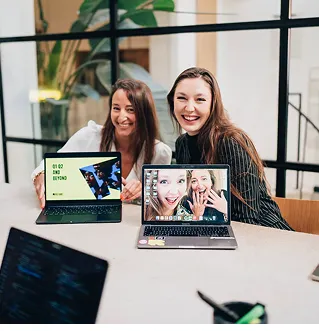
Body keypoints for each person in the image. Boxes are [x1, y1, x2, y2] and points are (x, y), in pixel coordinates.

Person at [167, 67, 293, 230]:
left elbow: (248, 221)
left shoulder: (230, 142)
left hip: (264, 233)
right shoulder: (182, 144)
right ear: (172, 101)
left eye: (200, 99)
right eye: (182, 98)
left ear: (213, 104)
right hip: (217, 231)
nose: (189, 108)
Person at [32, 78, 172, 207]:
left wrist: (144, 192)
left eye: (130, 110)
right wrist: (42, 176)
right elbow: (50, 166)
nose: (121, 117)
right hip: (91, 216)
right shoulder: (90, 136)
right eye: (116, 108)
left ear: (144, 114)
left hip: (130, 222)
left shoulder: (159, 153)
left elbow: (161, 203)